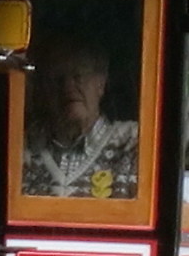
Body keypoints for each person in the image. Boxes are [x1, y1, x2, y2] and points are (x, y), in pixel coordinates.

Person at [22, 36, 139, 198]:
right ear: (44, 89)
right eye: (58, 79)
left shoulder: (132, 141)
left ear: (101, 83)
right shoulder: (24, 146)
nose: (68, 87)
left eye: (78, 76)